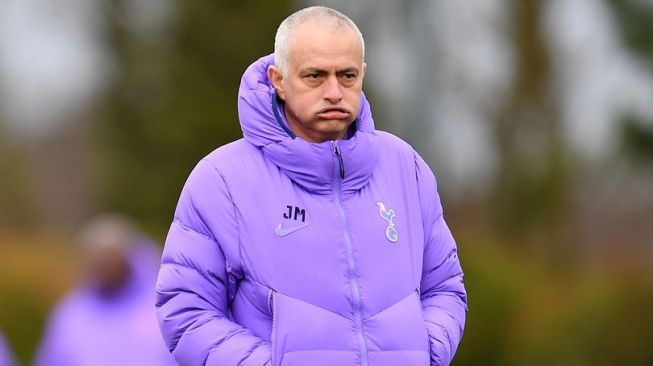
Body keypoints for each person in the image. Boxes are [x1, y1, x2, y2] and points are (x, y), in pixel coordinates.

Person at [156, 6, 467, 366]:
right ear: (278, 79)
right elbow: (186, 311)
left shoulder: (406, 168)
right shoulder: (221, 180)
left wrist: (426, 353)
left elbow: (444, 287)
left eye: (347, 76)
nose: (334, 91)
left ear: (362, 74)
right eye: (315, 76)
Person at [34, 214, 178, 366]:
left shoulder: (162, 307)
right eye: (98, 258)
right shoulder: (70, 314)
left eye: (111, 256)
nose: (105, 266)